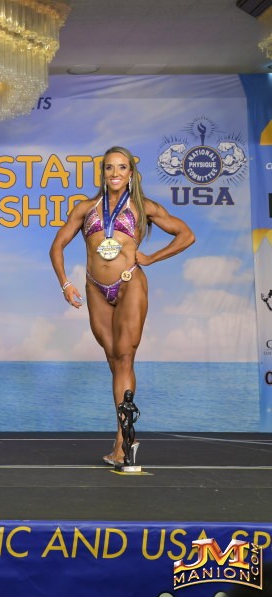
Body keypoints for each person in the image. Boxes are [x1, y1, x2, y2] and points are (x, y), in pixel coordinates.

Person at [49, 146, 195, 466]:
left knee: (125, 357)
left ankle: (122, 440)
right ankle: (126, 435)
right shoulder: (85, 208)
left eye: (122, 168)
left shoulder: (144, 207)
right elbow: (57, 246)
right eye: (109, 168)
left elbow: (186, 235)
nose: (115, 173)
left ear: (131, 174)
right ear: (102, 173)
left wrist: (152, 258)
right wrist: (65, 283)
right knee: (114, 360)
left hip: (130, 284)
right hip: (95, 288)